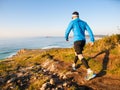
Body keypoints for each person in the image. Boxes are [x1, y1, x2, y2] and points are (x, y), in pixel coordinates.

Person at [65, 11, 96, 80]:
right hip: (83, 41)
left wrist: (66, 37)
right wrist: (92, 40)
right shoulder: (84, 22)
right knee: (76, 53)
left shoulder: (72, 22)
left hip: (77, 41)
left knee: (80, 55)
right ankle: (74, 65)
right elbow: (90, 31)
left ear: (73, 17)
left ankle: (89, 71)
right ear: (78, 16)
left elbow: (67, 31)